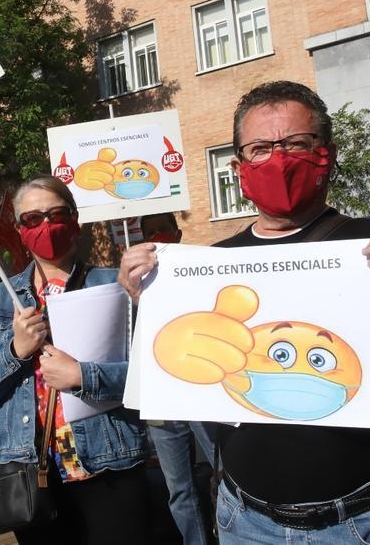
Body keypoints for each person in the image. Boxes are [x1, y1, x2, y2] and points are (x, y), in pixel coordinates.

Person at [119, 81, 370, 544]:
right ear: (239, 167)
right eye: (260, 148)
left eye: (297, 144)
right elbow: (179, 385)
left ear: (329, 154)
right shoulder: (209, 267)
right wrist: (157, 306)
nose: (278, 159)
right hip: (246, 522)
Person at [0, 176, 151, 544]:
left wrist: (83, 375)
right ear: (19, 230)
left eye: (56, 214)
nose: (45, 226)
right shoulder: (1, 300)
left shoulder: (115, 286)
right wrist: (14, 351)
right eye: (32, 219)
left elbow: (152, 378)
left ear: (75, 220)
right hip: (30, 477)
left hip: (107, 466)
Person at [138, 212, 217, 545]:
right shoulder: (133, 279)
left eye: (163, 230)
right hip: (160, 399)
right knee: (179, 489)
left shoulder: (201, 269)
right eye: (150, 232)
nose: (158, 236)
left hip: (200, 391)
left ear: (178, 233)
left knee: (226, 475)